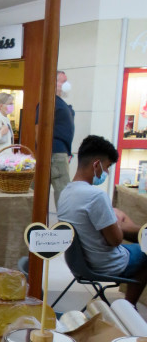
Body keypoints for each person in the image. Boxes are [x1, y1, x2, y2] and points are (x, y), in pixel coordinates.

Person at [57, 135, 147, 305]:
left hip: (78, 263)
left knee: (123, 223)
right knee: (145, 250)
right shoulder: (96, 196)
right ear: (96, 164)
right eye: (107, 167)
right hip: (105, 264)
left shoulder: (66, 192)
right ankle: (129, 306)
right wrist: (119, 224)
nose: (106, 173)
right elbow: (115, 240)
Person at [36, 71, 75, 206]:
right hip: (55, 153)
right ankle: (65, 223)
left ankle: (64, 222)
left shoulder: (59, 103)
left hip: (59, 152)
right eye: (63, 81)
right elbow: (38, 128)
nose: (66, 84)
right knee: (63, 191)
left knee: (62, 192)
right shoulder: (48, 103)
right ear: (54, 83)